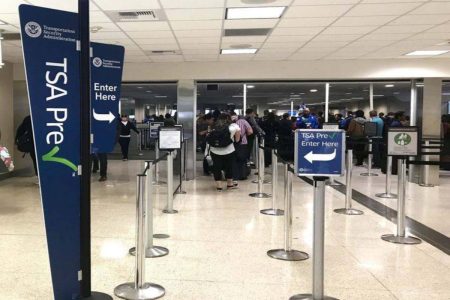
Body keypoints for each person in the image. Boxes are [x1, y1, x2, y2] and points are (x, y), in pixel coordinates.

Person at [206, 113, 240, 191]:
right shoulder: (234, 126)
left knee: (216, 167)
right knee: (229, 167)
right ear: (229, 118)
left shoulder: (212, 126)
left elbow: (208, 138)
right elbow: (237, 139)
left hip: (215, 150)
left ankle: (219, 186)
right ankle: (229, 185)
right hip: (229, 150)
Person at [231, 112, 253, 180]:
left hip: (231, 144)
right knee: (242, 160)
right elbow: (250, 131)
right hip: (242, 143)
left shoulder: (229, 122)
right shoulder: (243, 121)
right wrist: (244, 135)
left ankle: (233, 175)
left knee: (233, 160)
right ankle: (242, 175)